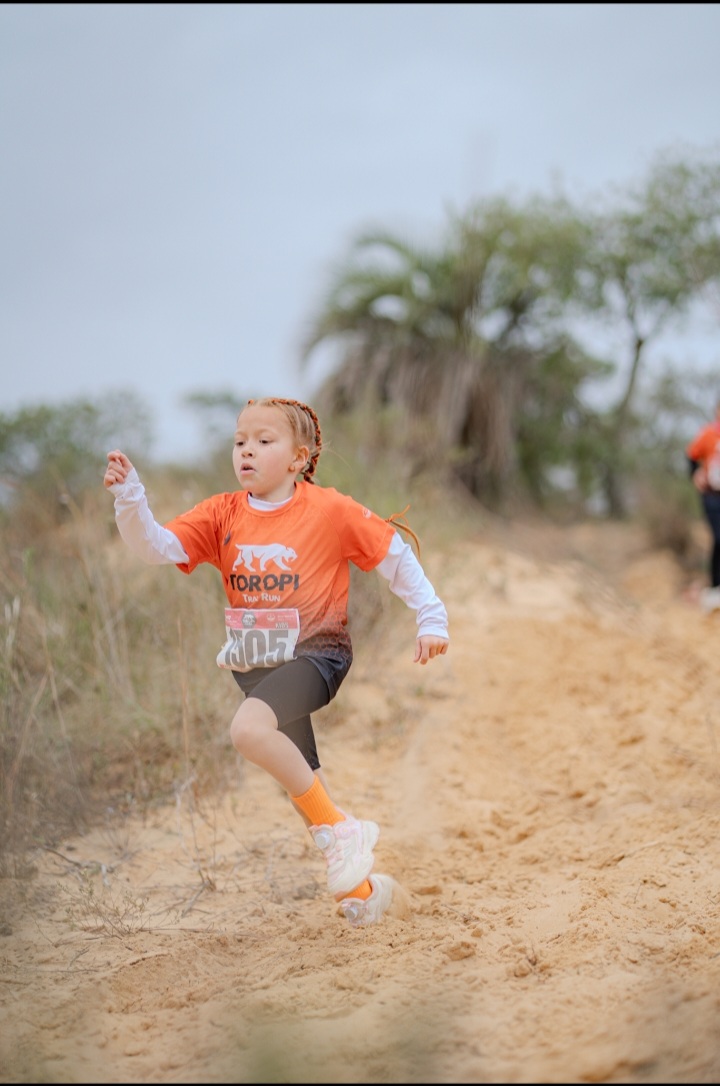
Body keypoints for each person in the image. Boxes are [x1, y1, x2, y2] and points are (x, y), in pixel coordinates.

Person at [103, 396, 449, 927]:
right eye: (240, 441)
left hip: (318, 654)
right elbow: (155, 546)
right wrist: (130, 498)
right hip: (258, 664)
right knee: (301, 777)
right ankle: (364, 890)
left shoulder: (328, 509)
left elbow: (391, 553)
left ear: (298, 457)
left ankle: (345, 831)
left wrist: (431, 617)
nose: (247, 451)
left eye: (265, 441)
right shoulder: (222, 513)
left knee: (248, 731)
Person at [686, 400, 720, 613]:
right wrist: (695, 474)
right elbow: (690, 456)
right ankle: (716, 586)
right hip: (712, 495)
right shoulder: (708, 434)